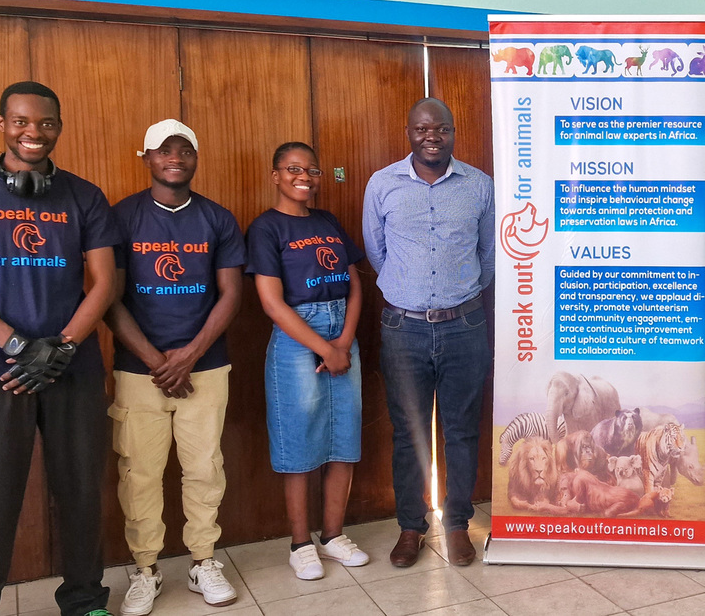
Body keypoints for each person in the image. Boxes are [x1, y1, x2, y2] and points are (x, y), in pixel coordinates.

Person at [0, 82, 119, 616]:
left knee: (81, 498)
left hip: (72, 370)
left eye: (47, 123)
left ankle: (85, 602)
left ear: (59, 126)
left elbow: (104, 282)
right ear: (2, 123)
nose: (34, 133)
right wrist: (17, 345)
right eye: (22, 122)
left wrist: (61, 347)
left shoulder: (84, 196)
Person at [106, 120, 246, 614]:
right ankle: (145, 569)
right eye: (163, 150)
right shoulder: (121, 217)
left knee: (204, 468)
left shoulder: (217, 219)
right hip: (138, 370)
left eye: (184, 149)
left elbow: (231, 293)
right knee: (139, 472)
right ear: (146, 157)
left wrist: (188, 355)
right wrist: (155, 359)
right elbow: (108, 296)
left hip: (205, 368)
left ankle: (203, 561)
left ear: (195, 158)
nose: (175, 157)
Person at [362, 97, 495, 568]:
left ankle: (457, 525)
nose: (431, 136)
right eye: (422, 129)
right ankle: (411, 527)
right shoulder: (382, 184)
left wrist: (457, 296)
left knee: (461, 430)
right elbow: (376, 252)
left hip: (465, 324)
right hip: (404, 328)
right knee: (408, 433)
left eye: (440, 129)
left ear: (453, 132)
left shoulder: (479, 186)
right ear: (409, 132)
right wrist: (409, 290)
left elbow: (489, 254)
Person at [246, 142, 368, 581]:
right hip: (299, 337)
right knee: (297, 441)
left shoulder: (327, 221)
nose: (304, 177)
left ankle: (332, 535)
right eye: (293, 169)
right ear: (275, 175)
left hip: (341, 334)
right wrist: (323, 346)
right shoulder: (265, 228)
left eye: (312, 170)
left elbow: (354, 284)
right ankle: (300, 543)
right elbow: (271, 302)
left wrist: (344, 342)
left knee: (343, 437)